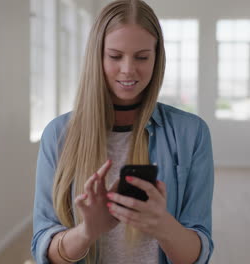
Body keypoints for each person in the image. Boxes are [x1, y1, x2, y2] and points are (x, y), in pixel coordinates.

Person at [31, 0, 214, 263]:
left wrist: (162, 224)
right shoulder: (58, 134)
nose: (128, 69)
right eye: (115, 56)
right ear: (98, 56)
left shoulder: (191, 133)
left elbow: (198, 255)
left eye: (141, 57)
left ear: (157, 58)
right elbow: (43, 247)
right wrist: (87, 232)